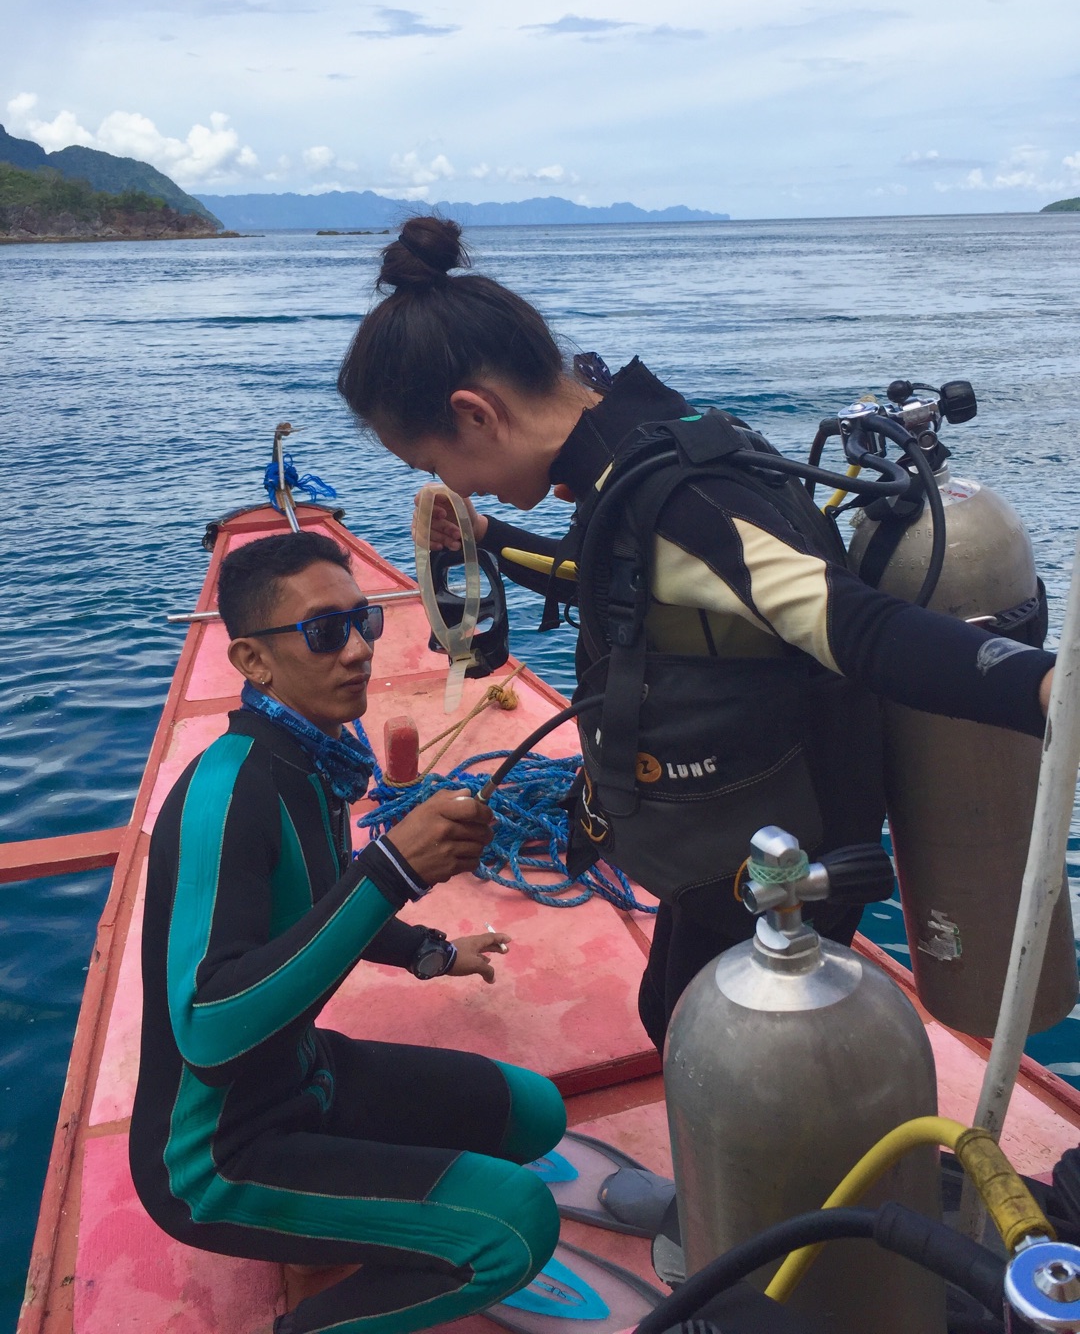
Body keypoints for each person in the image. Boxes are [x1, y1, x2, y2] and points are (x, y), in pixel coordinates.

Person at [335, 215, 1056, 1053]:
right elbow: (632, 584)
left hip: (795, 838)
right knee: (668, 1012)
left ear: (476, 413)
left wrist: (1045, 689)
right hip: (727, 827)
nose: (447, 484)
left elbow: (856, 626)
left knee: (726, 1049)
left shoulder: (680, 500)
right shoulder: (630, 444)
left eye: (433, 466)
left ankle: (803, 1186)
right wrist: (492, 542)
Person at [129, 530, 565, 1334]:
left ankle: (363, 1224)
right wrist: (394, 870)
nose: (360, 649)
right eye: (325, 633)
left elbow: (321, 901)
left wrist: (434, 953)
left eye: (362, 622)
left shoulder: (315, 757)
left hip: (307, 1079)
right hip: (215, 1158)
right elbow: (209, 1033)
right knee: (516, 1224)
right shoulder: (226, 796)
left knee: (536, 1112)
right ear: (254, 663)